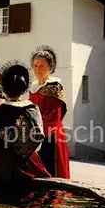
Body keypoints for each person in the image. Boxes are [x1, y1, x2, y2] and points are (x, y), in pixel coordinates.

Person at [0, 62, 51, 184]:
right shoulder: (33, 108)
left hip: (4, 164)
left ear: (4, 89)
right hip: (30, 162)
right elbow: (38, 138)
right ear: (23, 89)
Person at [29, 45, 70, 179]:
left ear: (50, 68)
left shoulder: (54, 87)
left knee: (51, 173)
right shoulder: (33, 88)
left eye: (41, 66)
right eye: (35, 66)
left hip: (51, 136)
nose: (38, 69)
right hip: (36, 134)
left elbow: (55, 115)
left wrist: (38, 134)